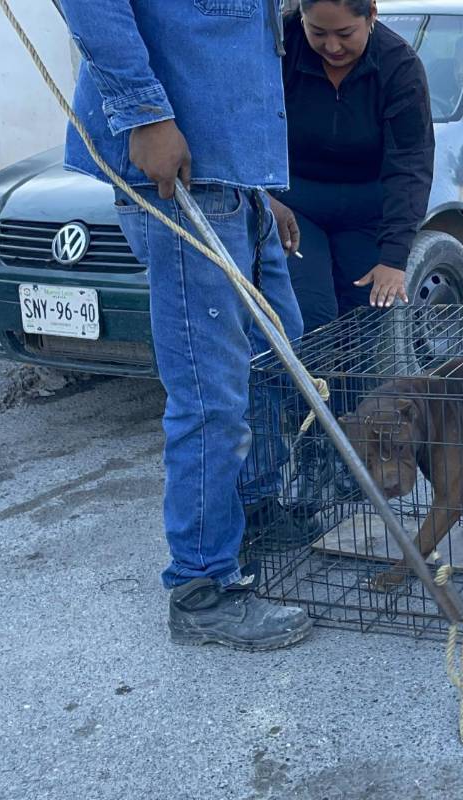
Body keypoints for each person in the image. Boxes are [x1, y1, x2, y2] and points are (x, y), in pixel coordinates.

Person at [59, 1, 312, 651]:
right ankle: (202, 587)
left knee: (277, 349)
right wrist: (145, 112)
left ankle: (252, 509)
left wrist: (261, 179)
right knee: (209, 391)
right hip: (182, 178)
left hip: (236, 176)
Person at [277, 0, 435, 333]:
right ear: (300, 18)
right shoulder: (280, 47)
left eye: (345, 33)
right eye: (317, 32)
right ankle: (306, 385)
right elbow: (247, 125)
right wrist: (263, 198)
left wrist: (394, 259)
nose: (331, 46)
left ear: (371, 15)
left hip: (367, 210)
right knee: (310, 315)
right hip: (294, 206)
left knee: (364, 321)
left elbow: (410, 164)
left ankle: (353, 387)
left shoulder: (400, 66)